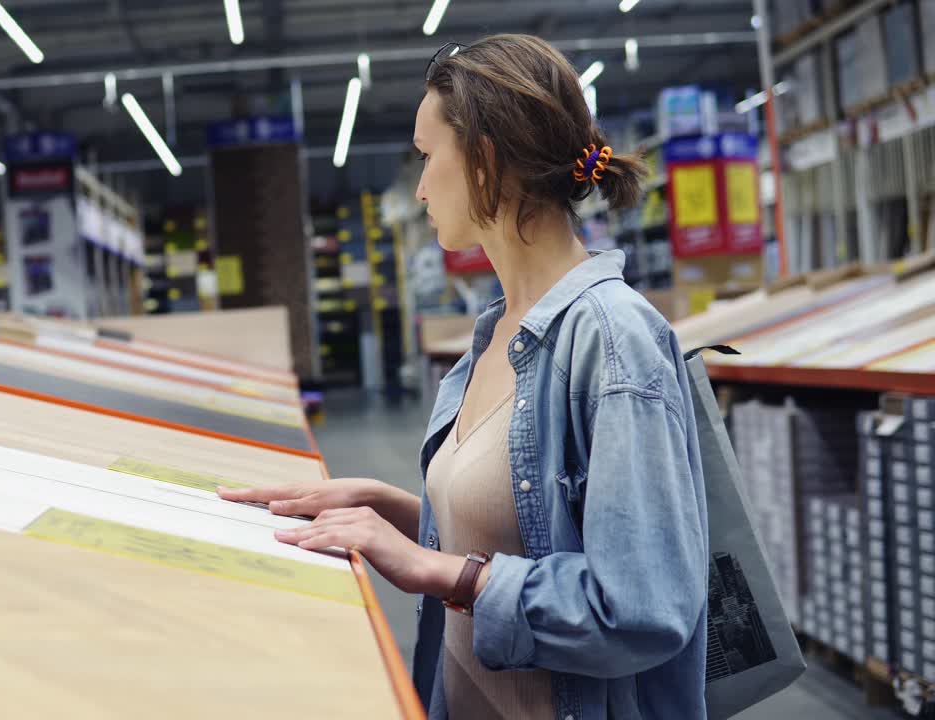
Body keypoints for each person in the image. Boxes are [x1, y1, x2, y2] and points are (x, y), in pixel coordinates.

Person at [220, 34, 708, 720]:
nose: (418, 187)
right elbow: (535, 530)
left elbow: (642, 610)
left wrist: (440, 570)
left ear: (483, 158)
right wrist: (401, 511)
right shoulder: (497, 333)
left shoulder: (610, 339)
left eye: (426, 157)